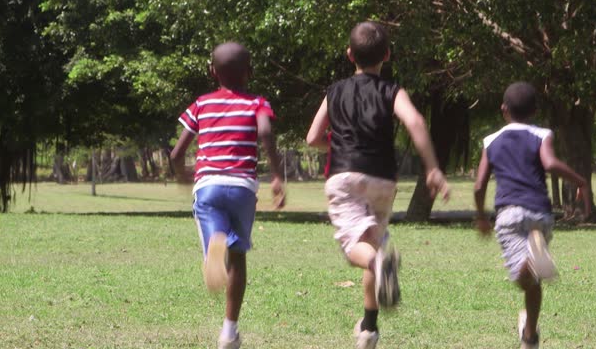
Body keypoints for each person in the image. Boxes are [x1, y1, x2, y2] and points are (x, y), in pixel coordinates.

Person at [306, 21, 449, 349]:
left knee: (356, 248)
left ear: (348, 54)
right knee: (372, 242)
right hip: (383, 179)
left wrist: (339, 145)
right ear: (387, 54)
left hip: (344, 177)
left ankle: (378, 264)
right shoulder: (393, 90)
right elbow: (414, 121)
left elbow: (313, 137)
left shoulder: (334, 91)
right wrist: (432, 169)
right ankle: (369, 327)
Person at [170, 42, 285, 349]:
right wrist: (276, 175)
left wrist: (182, 176)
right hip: (243, 187)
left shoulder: (201, 104)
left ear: (212, 72)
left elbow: (176, 152)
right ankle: (229, 331)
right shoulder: (257, 103)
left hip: (208, 184)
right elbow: (264, 133)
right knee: (239, 257)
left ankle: (213, 247)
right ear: (250, 72)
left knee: (216, 243)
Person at [473, 81, 591, 349]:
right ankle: (529, 336)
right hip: (541, 213)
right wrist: (581, 181)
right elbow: (549, 163)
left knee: (521, 276)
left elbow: (480, 184)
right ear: (535, 110)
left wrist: (481, 216)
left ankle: (531, 261)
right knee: (534, 282)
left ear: (503, 109)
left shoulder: (491, 140)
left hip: (510, 214)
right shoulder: (542, 134)